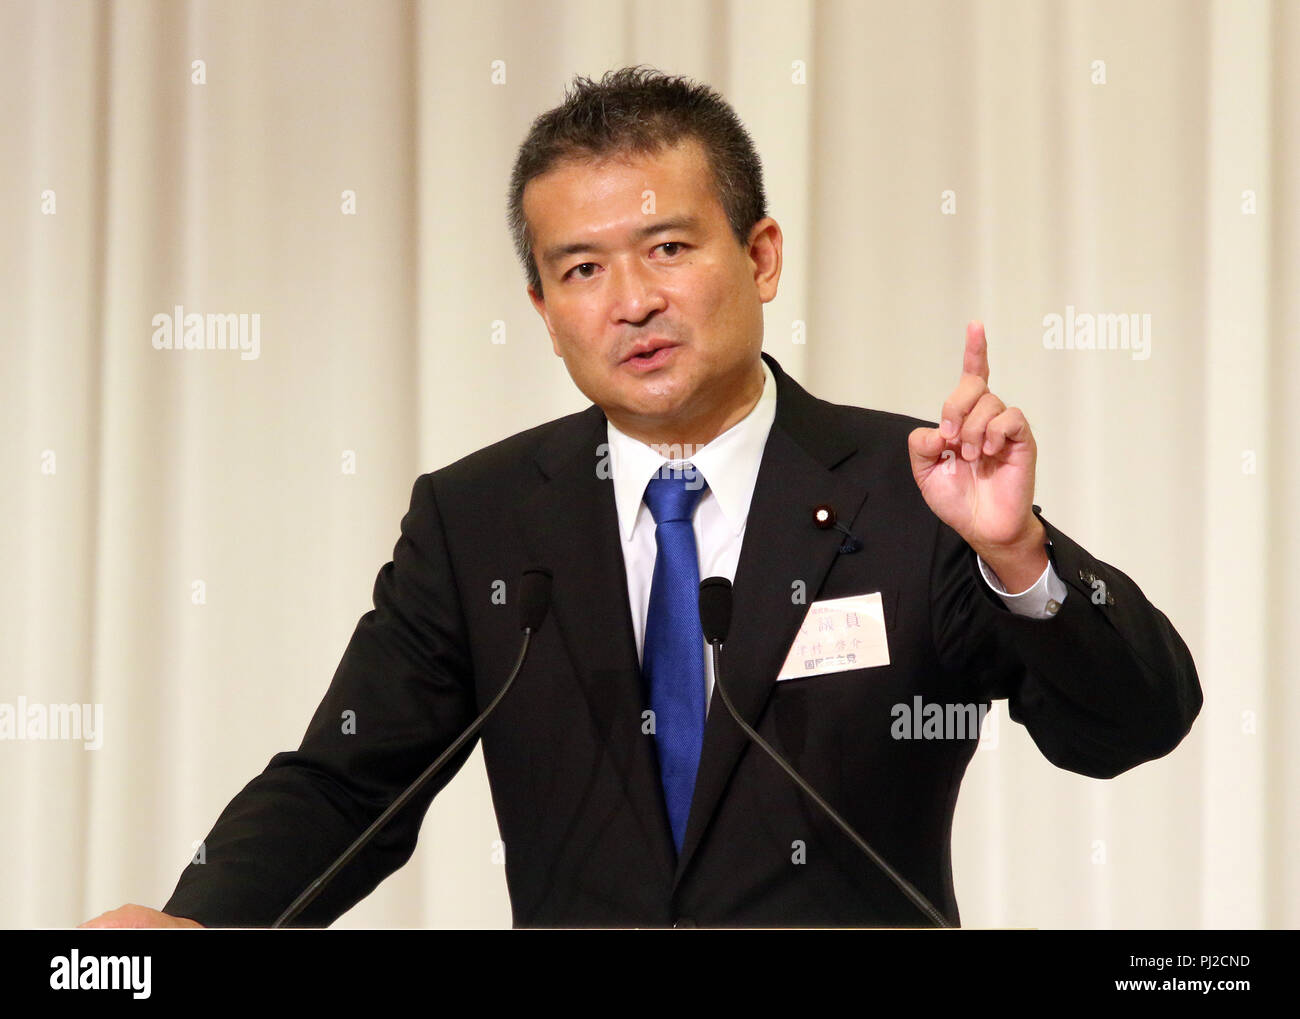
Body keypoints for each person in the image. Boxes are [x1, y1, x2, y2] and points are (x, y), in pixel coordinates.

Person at [82, 66, 1201, 929]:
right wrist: (200, 920)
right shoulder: (478, 520)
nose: (631, 301)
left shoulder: (914, 491)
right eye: (581, 268)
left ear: (759, 255)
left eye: (667, 245)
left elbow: (1132, 726)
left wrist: (1018, 557)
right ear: (541, 304)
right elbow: (348, 781)